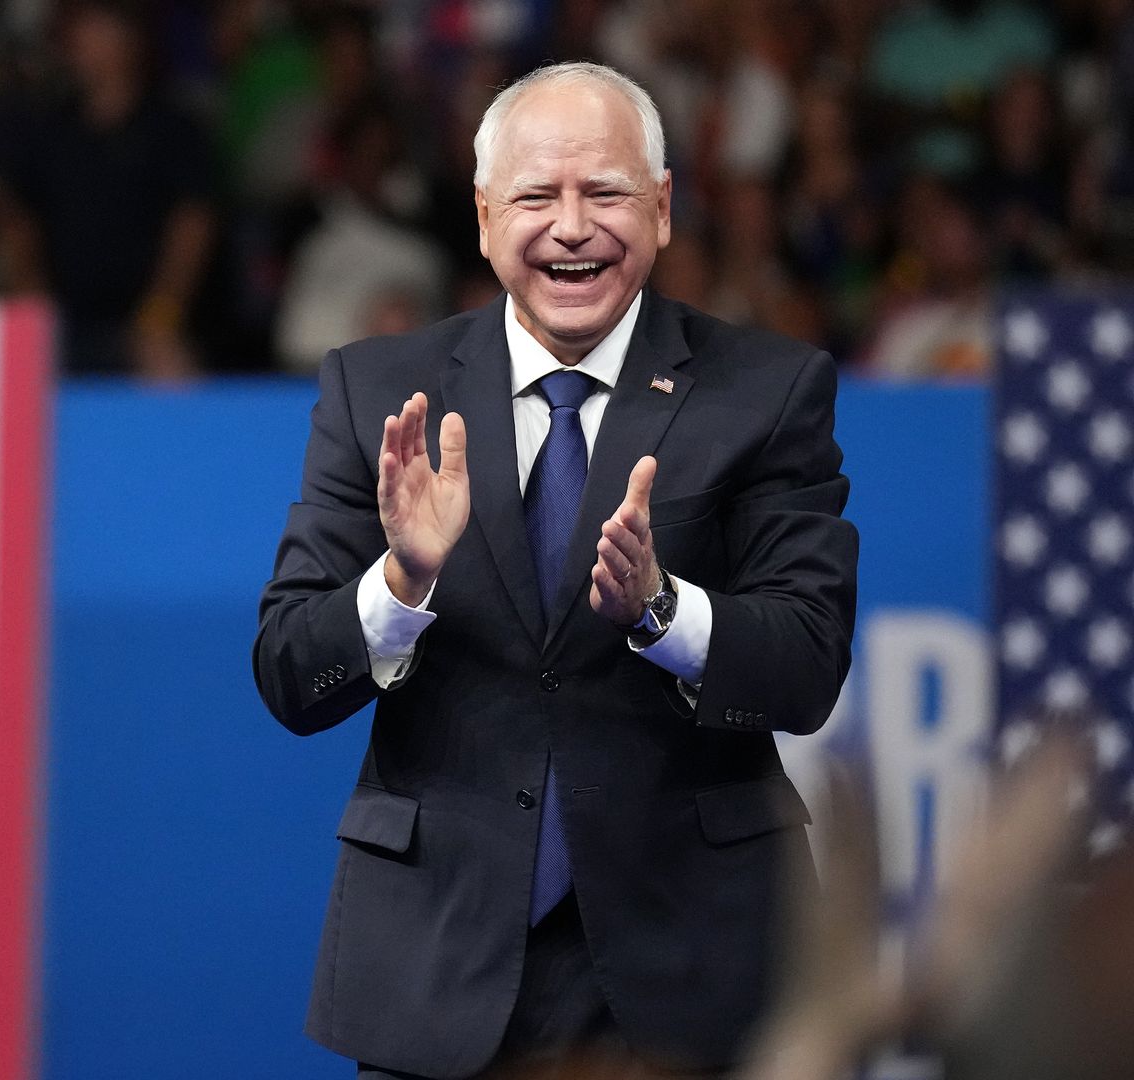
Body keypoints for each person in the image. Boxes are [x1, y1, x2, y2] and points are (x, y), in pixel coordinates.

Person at [251, 62, 858, 1079]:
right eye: (537, 195)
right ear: (486, 218)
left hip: (693, 972)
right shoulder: (375, 392)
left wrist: (663, 610)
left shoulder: (770, 392)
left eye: (606, 192)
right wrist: (400, 582)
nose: (572, 226)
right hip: (438, 968)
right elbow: (290, 678)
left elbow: (805, 668)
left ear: (662, 209)